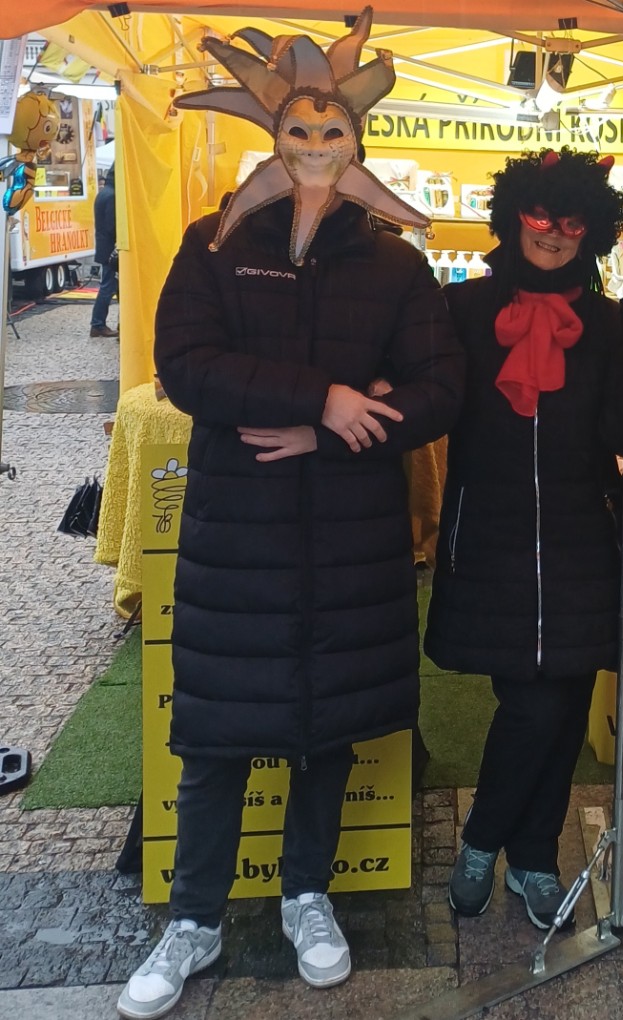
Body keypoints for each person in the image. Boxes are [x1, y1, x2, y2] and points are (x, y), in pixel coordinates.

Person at [117, 12, 463, 1019]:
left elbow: (441, 388)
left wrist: (334, 429)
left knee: (328, 728)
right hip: (238, 537)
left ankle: (308, 893)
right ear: (271, 137)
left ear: (360, 143)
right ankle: (194, 916)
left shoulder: (396, 264)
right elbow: (186, 367)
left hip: (352, 537)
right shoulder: (213, 243)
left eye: (333, 133)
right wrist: (324, 396)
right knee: (217, 738)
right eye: (299, 132)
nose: (315, 148)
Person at [425, 147, 623, 930]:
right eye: (540, 215)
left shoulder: (606, 323)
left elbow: (621, 430)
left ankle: (527, 853)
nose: (554, 232)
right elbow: (430, 401)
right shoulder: (462, 309)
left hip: (582, 536)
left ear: (592, 229)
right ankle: (492, 842)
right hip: (490, 534)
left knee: (564, 703)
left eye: (572, 220)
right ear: (512, 217)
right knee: (533, 703)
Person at [90, 167, 118, 338]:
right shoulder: (113, 195)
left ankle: (98, 324)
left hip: (104, 247)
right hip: (110, 250)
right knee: (108, 287)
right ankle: (98, 324)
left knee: (108, 286)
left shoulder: (103, 193)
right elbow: (112, 225)